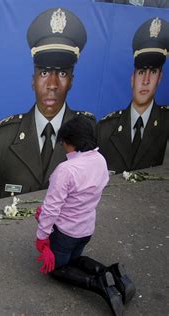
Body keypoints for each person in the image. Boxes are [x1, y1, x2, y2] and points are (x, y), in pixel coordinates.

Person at [0, 8, 96, 199]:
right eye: (44, 73)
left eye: (62, 73)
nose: (52, 85)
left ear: (71, 80)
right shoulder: (3, 137)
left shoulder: (89, 131)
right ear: (33, 80)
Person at [34, 116, 135, 316]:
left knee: (57, 269)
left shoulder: (66, 170)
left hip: (66, 233)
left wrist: (42, 236)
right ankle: (111, 272)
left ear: (70, 141)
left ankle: (98, 284)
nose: (62, 146)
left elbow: (52, 208)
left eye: (62, 142)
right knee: (75, 259)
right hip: (86, 229)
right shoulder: (100, 159)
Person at [97, 17, 169, 174]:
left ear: (160, 77)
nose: (146, 81)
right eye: (141, 72)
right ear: (132, 78)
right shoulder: (106, 128)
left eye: (153, 72)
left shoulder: (166, 124)